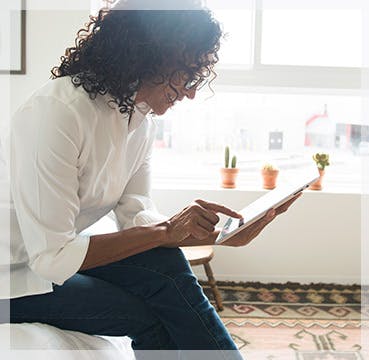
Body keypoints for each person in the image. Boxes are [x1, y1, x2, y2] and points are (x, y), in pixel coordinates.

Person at [1, 0, 300, 358]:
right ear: (145, 54)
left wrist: (220, 237)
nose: (190, 92)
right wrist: (166, 231)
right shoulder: (56, 114)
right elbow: (51, 257)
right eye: (186, 74)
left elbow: (136, 212)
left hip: (48, 260)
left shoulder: (137, 120)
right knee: (146, 315)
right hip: (12, 277)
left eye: (197, 78)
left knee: (167, 267)